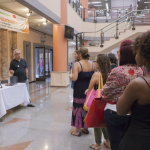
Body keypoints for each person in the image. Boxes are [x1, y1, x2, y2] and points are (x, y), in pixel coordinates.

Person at [102, 40, 143, 150]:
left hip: (113, 111)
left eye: (119, 52)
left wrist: (116, 96)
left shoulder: (116, 71)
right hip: (133, 111)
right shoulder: (140, 71)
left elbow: (104, 94)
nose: (118, 54)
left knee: (115, 144)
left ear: (124, 53)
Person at [117, 31, 150, 150]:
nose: (135, 56)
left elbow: (120, 110)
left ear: (145, 56)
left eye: (137, 53)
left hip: (139, 139)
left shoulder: (138, 84)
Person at [85, 54, 111, 149]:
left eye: (95, 61)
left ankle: (98, 144)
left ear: (99, 63)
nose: (94, 63)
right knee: (104, 121)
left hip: (98, 101)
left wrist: (87, 91)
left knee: (97, 122)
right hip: (108, 101)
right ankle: (108, 141)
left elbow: (90, 88)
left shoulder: (97, 74)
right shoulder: (111, 73)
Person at [69, 47, 95, 136]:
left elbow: (75, 78)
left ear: (80, 54)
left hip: (79, 89)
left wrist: (70, 75)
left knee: (78, 108)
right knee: (86, 107)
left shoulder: (77, 64)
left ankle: (78, 130)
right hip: (89, 89)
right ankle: (86, 128)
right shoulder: (92, 64)